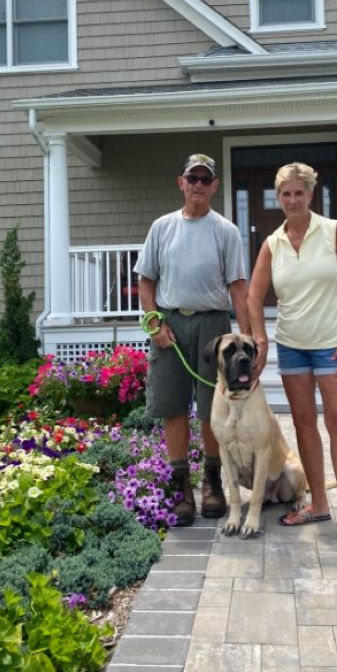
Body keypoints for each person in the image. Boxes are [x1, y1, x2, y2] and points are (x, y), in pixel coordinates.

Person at [247, 162, 337, 555]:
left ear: (310, 194)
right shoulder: (273, 242)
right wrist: (262, 340)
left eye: (298, 192)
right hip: (291, 346)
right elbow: (254, 296)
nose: (291, 200)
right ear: (278, 196)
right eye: (284, 194)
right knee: (304, 424)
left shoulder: (332, 230)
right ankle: (319, 504)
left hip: (332, 345)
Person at [135, 153, 250, 527]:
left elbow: (237, 287)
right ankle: (180, 485)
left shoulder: (225, 231)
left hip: (211, 327)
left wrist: (247, 338)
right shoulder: (162, 227)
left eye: (206, 179)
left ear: (214, 186)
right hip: (170, 324)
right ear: (181, 182)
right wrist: (155, 323)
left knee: (211, 408)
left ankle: (212, 483)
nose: (199, 184)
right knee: (173, 405)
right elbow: (146, 281)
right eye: (193, 178)